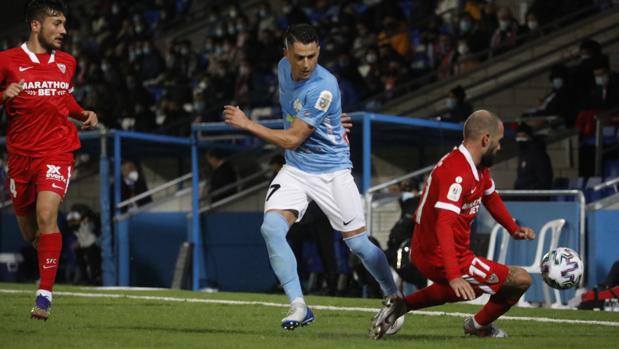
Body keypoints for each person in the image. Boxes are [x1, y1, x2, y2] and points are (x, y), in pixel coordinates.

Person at [223, 23, 402, 332]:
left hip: (332, 172)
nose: (306, 64)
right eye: (300, 57)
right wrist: (330, 120)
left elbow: (293, 138)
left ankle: (394, 295)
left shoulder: (324, 85)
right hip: (296, 169)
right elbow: (295, 123)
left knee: (358, 245)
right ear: (286, 54)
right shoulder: (282, 69)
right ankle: (299, 305)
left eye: (312, 56)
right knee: (271, 229)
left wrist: (247, 123)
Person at [370, 110, 535, 339]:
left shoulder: (477, 167)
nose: (500, 148)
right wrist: (454, 274)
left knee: (474, 287)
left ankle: (400, 306)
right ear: (486, 139)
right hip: (435, 252)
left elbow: (490, 196)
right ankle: (478, 326)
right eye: (499, 141)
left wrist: (512, 228)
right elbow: (443, 226)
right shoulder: (456, 172)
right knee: (520, 280)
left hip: (445, 251)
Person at [0, 0, 98, 320]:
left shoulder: (66, 62)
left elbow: (60, 95)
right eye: (57, 24)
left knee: (47, 215)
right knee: (32, 233)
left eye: (65, 24)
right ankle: (47, 261)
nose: (64, 31)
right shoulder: (6, 61)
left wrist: (81, 112)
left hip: (57, 150)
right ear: (36, 25)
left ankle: (44, 296)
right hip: (19, 156)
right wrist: (3, 96)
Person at [514, 123, 553, 191]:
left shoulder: (539, 154)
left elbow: (544, 180)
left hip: (534, 196)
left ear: (530, 137)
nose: (520, 139)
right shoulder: (523, 154)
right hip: (522, 194)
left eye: (523, 136)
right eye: (518, 136)